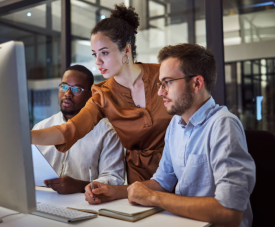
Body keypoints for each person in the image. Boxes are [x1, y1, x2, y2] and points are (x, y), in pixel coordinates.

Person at [85, 44, 256, 227]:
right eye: (160, 84)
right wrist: (116, 191)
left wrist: (153, 197)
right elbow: (162, 181)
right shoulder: (176, 124)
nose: (160, 92)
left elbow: (229, 212)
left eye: (167, 82)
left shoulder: (223, 125)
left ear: (197, 83)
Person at [31, 4, 172, 184]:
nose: (97, 61)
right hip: (140, 179)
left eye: (104, 53)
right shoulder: (102, 94)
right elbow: (69, 130)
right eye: (95, 54)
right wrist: (24, 136)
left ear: (126, 50)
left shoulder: (163, 75)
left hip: (179, 168)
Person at [33, 65, 125, 194]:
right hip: (42, 199)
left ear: (90, 95)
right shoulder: (41, 127)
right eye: (64, 86)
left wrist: (79, 186)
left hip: (85, 203)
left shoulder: (107, 132)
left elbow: (114, 179)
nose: (68, 94)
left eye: (76, 89)